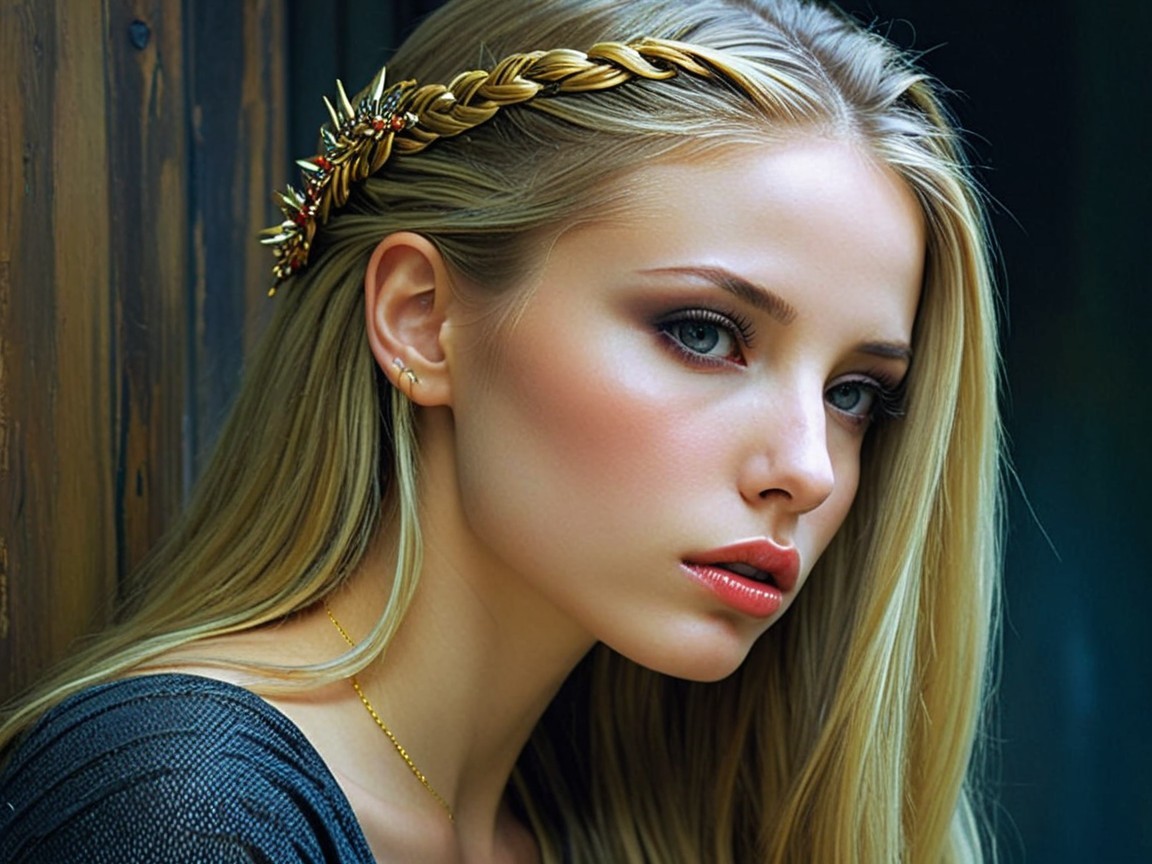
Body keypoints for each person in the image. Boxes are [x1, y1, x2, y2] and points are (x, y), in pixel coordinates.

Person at [0, 0, 1001, 860]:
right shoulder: (186, 816)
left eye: (857, 393)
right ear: (421, 321)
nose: (809, 469)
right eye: (703, 333)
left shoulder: (614, 820)